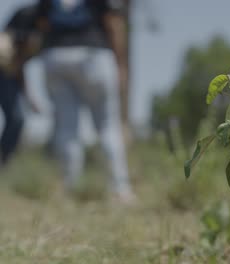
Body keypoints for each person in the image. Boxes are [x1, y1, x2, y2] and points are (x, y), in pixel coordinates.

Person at [36, 0, 134, 202]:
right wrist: (121, 63)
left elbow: (42, 24)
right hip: (94, 54)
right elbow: (114, 22)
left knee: (67, 128)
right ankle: (119, 189)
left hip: (56, 56)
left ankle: (70, 188)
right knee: (108, 125)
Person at [0, 4, 40, 165]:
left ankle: (3, 161)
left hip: (9, 74)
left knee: (17, 119)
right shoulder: (28, 14)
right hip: (4, 69)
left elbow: (18, 65)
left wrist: (29, 96)